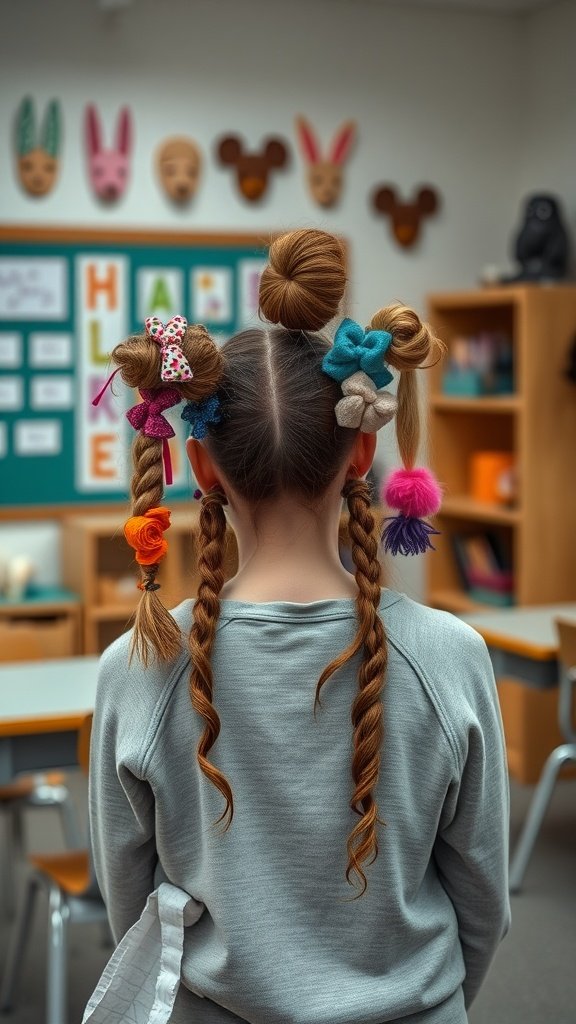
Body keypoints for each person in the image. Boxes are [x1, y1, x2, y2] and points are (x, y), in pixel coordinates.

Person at [86, 229, 510, 1024]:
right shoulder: (454, 657)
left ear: (202, 469)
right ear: (363, 452)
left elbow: (131, 911)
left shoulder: (136, 667)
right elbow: (482, 903)